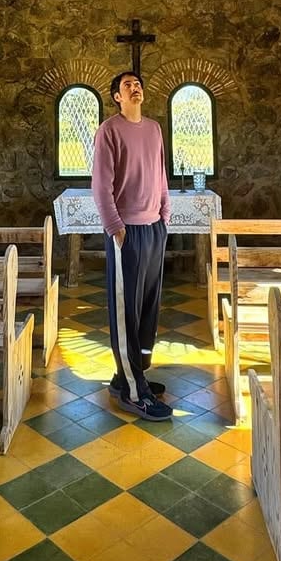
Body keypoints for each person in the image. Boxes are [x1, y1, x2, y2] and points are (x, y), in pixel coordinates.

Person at [91, 71, 173, 420]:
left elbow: (161, 173)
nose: (135, 87)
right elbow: (101, 185)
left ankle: (132, 372)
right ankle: (133, 392)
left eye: (138, 83)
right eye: (127, 85)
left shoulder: (154, 129)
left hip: (155, 227)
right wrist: (116, 228)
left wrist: (164, 214)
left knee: (148, 307)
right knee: (127, 311)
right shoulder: (109, 130)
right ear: (116, 97)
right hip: (127, 231)